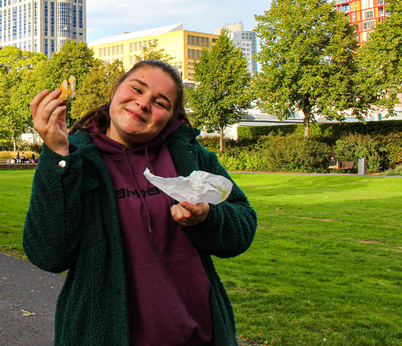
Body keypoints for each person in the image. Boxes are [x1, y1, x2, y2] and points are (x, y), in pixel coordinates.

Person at [24, 60, 257, 346]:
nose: (144, 103)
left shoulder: (191, 158)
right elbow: (49, 255)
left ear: (171, 118)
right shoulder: (77, 160)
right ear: (115, 92)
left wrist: (207, 218)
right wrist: (57, 153)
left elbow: (242, 226)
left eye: (160, 102)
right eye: (136, 88)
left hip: (200, 335)